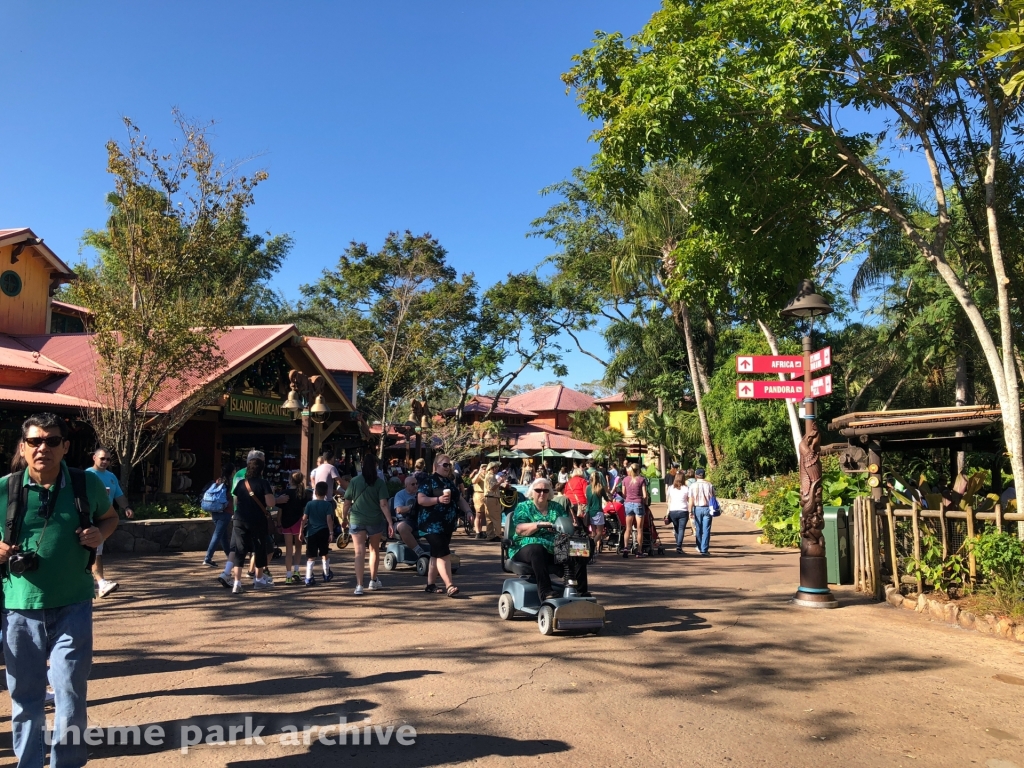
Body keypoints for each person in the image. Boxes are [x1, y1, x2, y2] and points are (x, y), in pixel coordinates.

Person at [1, 413, 118, 767]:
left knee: (69, 692)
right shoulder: (6, 488)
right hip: (19, 607)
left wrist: (102, 534)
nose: (43, 448)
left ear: (65, 447)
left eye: (52, 441)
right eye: (35, 441)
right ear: (23, 447)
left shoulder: (86, 485)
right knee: (26, 696)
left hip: (74, 605)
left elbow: (109, 517)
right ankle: (30, 763)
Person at [508, 478, 589, 600]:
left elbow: (566, 527)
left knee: (578, 547)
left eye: (545, 490)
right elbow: (519, 529)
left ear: (550, 493)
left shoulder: (556, 507)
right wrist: (539, 524)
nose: (542, 493)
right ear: (532, 492)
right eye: (538, 490)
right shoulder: (523, 506)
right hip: (525, 546)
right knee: (537, 549)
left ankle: (580, 592)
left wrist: (562, 529)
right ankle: (545, 591)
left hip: (554, 547)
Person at [417, 454, 471, 597]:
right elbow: (421, 500)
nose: (448, 468)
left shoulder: (449, 483)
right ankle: (450, 585)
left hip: (446, 525)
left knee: (436, 554)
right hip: (430, 525)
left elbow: (459, 499)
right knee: (444, 552)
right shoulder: (428, 480)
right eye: (445, 465)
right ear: (436, 466)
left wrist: (469, 511)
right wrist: (438, 499)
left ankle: (430, 585)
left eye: (449, 465)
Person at [84, 447, 134, 598]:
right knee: (94, 551)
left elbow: (118, 495)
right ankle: (101, 583)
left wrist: (126, 507)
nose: (105, 461)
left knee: (94, 552)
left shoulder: (111, 476)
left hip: (103, 520)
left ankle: (96, 583)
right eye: (102, 458)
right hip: (88, 519)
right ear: (94, 458)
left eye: (108, 459)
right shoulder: (87, 475)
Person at [341, 454, 393, 595]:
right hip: (374, 520)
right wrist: (390, 522)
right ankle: (373, 579)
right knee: (374, 550)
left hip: (357, 519)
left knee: (359, 552)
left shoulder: (354, 481)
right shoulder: (379, 483)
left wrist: (344, 518)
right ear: (376, 466)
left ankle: (359, 585)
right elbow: (383, 504)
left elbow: (346, 503)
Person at [229, 457, 278, 594]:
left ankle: (237, 583)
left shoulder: (240, 484)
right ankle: (259, 579)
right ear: (261, 470)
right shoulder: (263, 483)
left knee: (240, 550)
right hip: (257, 519)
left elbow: (237, 500)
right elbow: (270, 503)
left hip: (239, 519)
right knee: (259, 548)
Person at [299, 481, 335, 585]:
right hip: (323, 531)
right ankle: (327, 573)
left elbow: (304, 519)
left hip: (311, 532)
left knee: (311, 556)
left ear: (315, 492)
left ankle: (308, 577)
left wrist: (301, 531)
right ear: (326, 492)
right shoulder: (328, 505)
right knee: (324, 553)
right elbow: (329, 520)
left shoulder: (309, 504)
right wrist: (331, 532)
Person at [279, 471, 308, 584]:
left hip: (286, 522)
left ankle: (288, 576)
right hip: (298, 522)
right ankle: (296, 570)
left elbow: (280, 510)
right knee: (299, 548)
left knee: (288, 550)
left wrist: (278, 523)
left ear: (290, 479)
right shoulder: (303, 493)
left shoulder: (284, 493)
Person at [201, 469, 233, 568]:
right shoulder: (230, 483)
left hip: (215, 511)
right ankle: (208, 558)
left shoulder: (218, 481)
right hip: (225, 511)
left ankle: (230, 556)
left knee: (223, 535)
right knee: (218, 535)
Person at [393, 475, 426, 557]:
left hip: (420, 519)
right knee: (402, 527)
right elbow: (399, 510)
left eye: (416, 484)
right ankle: (419, 552)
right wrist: (411, 507)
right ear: (406, 486)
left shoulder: (421, 493)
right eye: (413, 484)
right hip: (405, 520)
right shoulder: (400, 495)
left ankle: (440, 550)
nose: (416, 486)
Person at [621, 463, 648, 557]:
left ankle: (625, 547)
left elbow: (623, 494)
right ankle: (639, 551)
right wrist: (644, 499)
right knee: (639, 529)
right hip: (638, 503)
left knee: (628, 528)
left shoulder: (625, 479)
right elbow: (644, 495)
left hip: (628, 503)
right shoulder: (641, 479)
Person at [689, 468, 716, 555]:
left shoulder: (693, 486)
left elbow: (691, 500)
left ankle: (699, 546)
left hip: (697, 508)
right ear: (704, 475)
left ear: (696, 476)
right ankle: (704, 549)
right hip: (708, 508)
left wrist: (690, 511)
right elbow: (713, 497)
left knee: (698, 528)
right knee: (706, 529)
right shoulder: (709, 485)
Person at [585, 470, 609, 553]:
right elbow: (606, 498)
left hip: (590, 511)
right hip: (598, 511)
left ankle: (594, 549)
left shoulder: (588, 488)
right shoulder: (600, 488)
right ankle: (592, 545)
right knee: (600, 532)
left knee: (593, 532)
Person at [666, 472, 691, 554]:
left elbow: (668, 501)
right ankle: (679, 546)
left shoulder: (670, 488)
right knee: (681, 529)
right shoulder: (686, 488)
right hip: (683, 510)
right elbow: (688, 500)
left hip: (673, 510)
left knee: (676, 529)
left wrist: (667, 512)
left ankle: (678, 545)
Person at [482, 462, 502, 542]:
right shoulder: (490, 476)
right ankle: (498, 535)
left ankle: (490, 535)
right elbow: (492, 487)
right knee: (496, 517)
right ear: (492, 468)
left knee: (489, 518)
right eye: (496, 467)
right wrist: (500, 482)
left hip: (488, 498)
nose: (497, 469)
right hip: (492, 498)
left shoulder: (488, 476)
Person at [469, 463, 489, 539]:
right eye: (483, 468)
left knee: (483, 515)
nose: (485, 470)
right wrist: (478, 473)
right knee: (478, 514)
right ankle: (477, 532)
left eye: (486, 469)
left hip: (486, 495)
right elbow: (473, 481)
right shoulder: (479, 475)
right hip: (479, 495)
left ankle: (481, 531)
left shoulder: (487, 476)